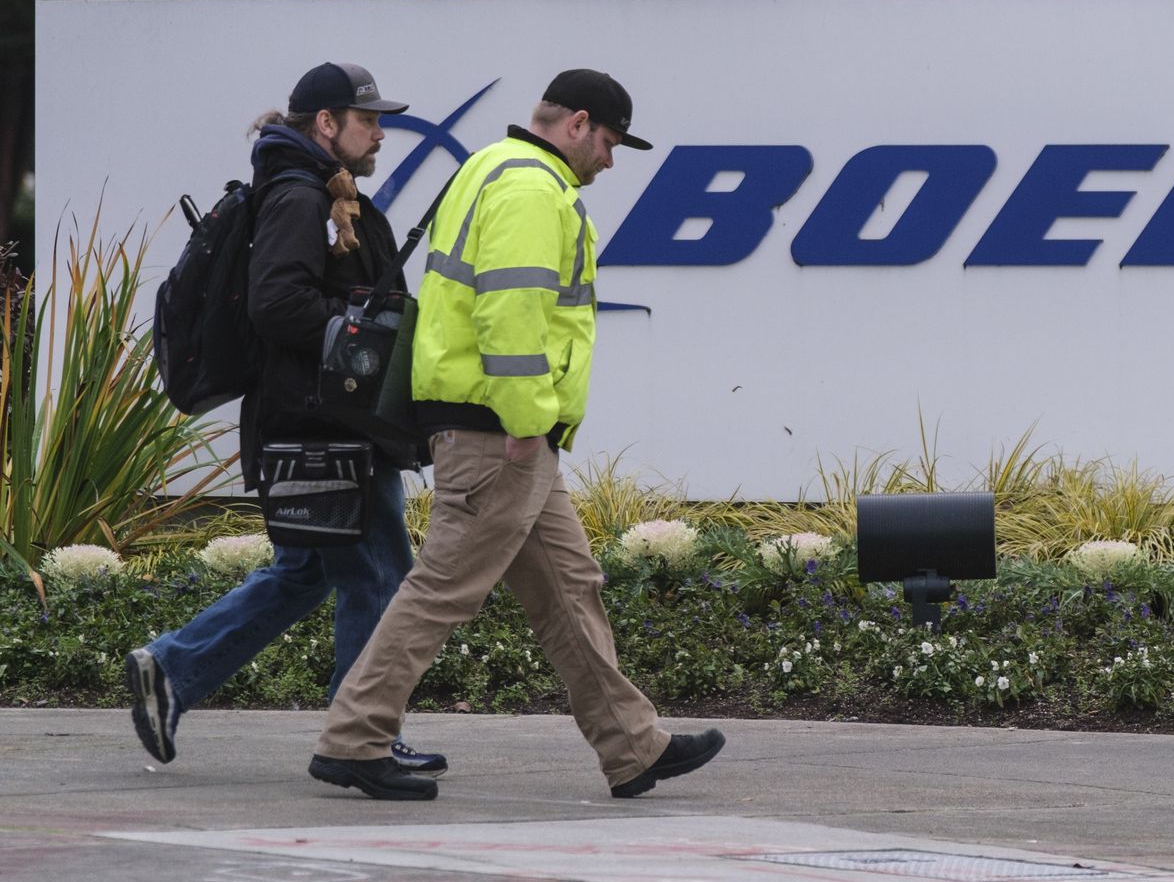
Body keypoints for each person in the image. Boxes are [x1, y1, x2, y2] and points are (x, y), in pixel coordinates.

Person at [309, 70, 725, 801]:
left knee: (570, 589)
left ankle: (633, 746)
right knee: (442, 588)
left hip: (497, 425)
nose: (611, 159)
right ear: (578, 124)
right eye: (610, 141)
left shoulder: (487, 168)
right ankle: (354, 738)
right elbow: (510, 315)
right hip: (500, 430)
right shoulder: (534, 190)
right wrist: (528, 423)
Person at [127, 62, 445, 777]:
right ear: (325, 124)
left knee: (305, 572)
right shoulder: (302, 198)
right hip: (324, 427)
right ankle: (359, 737)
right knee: (377, 575)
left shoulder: (317, 191)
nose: (380, 133)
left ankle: (173, 670)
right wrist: (361, 337)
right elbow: (277, 304)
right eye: (368, 120)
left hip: (313, 422)